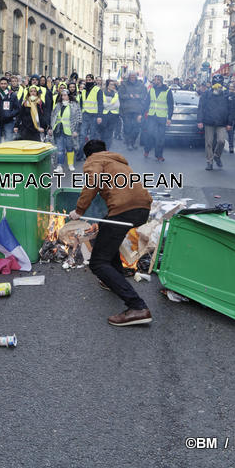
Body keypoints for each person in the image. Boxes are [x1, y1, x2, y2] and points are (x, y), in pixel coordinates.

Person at [69, 139, 153, 327]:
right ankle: (113, 278)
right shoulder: (116, 161)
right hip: (142, 209)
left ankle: (137, 306)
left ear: (88, 155)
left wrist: (79, 211)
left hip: (124, 210)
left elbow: (92, 183)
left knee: (98, 263)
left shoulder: (93, 160)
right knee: (106, 229)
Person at [197, 74, 234, 170]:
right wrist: (200, 121)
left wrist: (229, 123)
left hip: (221, 122)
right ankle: (209, 162)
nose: (217, 85)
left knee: (221, 141)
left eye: (219, 83)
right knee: (208, 143)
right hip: (209, 121)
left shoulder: (226, 94)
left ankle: (217, 156)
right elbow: (201, 107)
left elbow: (231, 110)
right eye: (215, 83)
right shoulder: (206, 94)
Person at [142, 75, 173, 162]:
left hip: (162, 117)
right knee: (149, 134)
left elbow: (170, 105)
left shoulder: (167, 91)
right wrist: (143, 113)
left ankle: (159, 155)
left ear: (160, 81)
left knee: (160, 137)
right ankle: (147, 150)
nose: (154, 81)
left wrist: (169, 118)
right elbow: (147, 102)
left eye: (156, 80)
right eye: (154, 80)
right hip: (152, 115)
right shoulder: (151, 89)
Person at [49, 88, 81, 172]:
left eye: (65, 95)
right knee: (60, 148)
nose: (63, 97)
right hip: (59, 129)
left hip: (70, 130)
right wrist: (51, 128)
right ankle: (60, 166)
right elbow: (53, 116)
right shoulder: (58, 105)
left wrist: (76, 130)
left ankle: (70, 164)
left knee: (70, 148)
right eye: (62, 95)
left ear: (69, 96)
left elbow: (79, 118)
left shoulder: (74, 105)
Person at [120, 72, 146, 150]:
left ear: (136, 77)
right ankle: (129, 143)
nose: (132, 78)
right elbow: (120, 95)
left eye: (134, 76)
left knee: (136, 128)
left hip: (138, 110)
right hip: (127, 109)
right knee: (128, 127)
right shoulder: (124, 84)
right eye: (131, 76)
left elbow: (144, 95)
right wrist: (128, 96)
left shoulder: (141, 85)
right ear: (129, 77)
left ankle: (133, 142)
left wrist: (139, 96)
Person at [0, 76, 20, 142]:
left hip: (9, 121)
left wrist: (10, 114)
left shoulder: (12, 95)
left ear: (7, 84)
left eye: (5, 83)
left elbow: (17, 108)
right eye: (1, 83)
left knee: (8, 140)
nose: (3, 85)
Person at [101, 79, 120, 148]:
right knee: (103, 130)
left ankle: (108, 146)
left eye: (113, 85)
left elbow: (117, 105)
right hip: (104, 114)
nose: (113, 86)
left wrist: (107, 105)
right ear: (107, 85)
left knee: (110, 131)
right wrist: (111, 105)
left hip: (113, 115)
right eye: (111, 84)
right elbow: (102, 104)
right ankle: (103, 144)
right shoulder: (102, 93)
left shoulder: (116, 94)